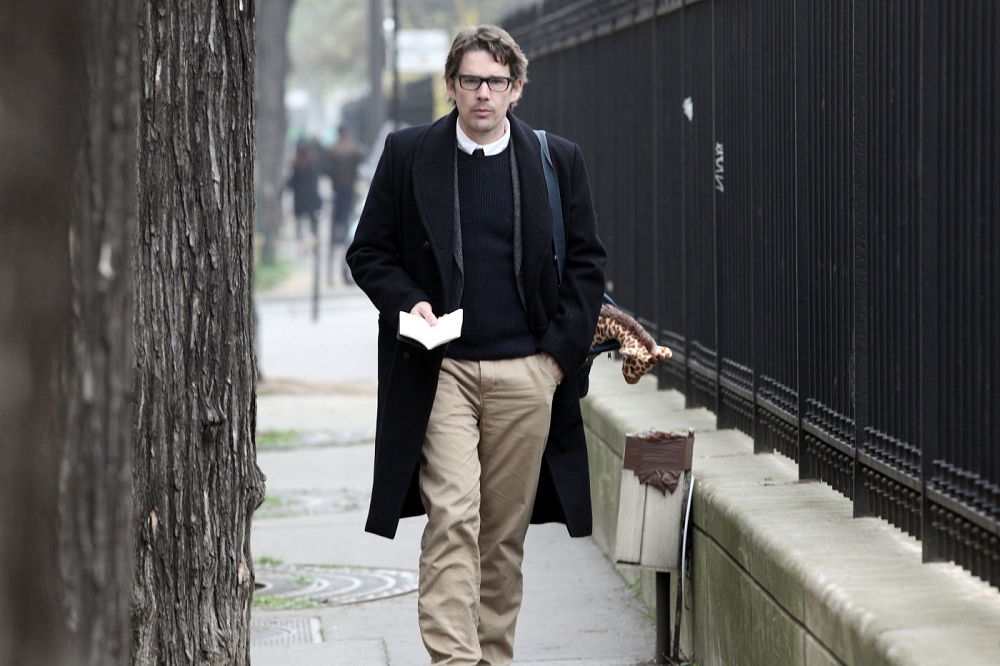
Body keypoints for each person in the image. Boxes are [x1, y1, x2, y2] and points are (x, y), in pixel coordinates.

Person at [346, 24, 606, 666]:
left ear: (516, 88)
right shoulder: (409, 154)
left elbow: (586, 266)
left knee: (502, 536)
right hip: (443, 371)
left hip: (528, 372)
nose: (482, 93)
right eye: (470, 80)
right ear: (451, 86)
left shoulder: (555, 160)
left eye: (495, 81)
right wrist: (410, 301)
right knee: (452, 518)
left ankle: (493, 657)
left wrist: (554, 360)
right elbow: (368, 251)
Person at [323, 125, 365, 283]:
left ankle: (338, 236)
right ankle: (344, 233)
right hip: (349, 188)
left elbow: (326, 168)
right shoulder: (353, 148)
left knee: (338, 221)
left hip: (337, 188)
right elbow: (361, 161)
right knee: (348, 218)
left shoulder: (332, 149)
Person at [286, 137, 323, 240]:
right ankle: (312, 236)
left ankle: (301, 237)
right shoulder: (311, 162)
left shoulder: (298, 163)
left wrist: (287, 187)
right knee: (311, 217)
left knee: (301, 217)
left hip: (300, 194)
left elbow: (293, 179)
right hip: (309, 194)